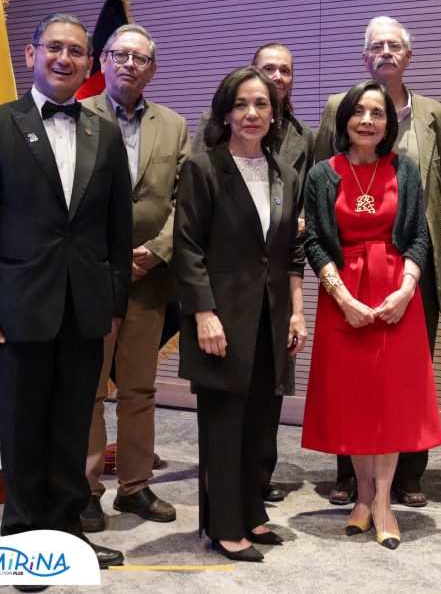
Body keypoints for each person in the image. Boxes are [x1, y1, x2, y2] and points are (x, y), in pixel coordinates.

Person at [0, 13, 131, 572]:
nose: (64, 58)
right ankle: (24, 543)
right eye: (54, 47)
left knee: (71, 428)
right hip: (18, 308)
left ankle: (67, 535)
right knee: (23, 429)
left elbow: (117, 229)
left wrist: (113, 303)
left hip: (85, 308)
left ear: (89, 63)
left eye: (76, 51)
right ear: (31, 54)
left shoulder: (104, 132)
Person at [314, 16, 441, 508]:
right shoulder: (335, 111)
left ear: (408, 56)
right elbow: (320, 194)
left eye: (395, 45)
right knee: (349, 375)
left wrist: (409, 278)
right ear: (364, 56)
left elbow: (440, 192)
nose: (386, 52)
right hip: (347, 272)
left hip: (410, 266)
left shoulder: (436, 115)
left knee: (402, 375)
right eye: (376, 46)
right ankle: (351, 479)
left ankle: (405, 478)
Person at [301, 80, 441, 551]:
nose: (367, 120)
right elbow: (316, 241)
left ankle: (383, 502)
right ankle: (362, 497)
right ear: (344, 119)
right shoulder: (323, 174)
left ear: (388, 124)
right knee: (354, 400)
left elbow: (419, 236)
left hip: (395, 296)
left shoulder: (405, 169)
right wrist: (341, 296)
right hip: (342, 294)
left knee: (390, 401)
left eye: (377, 113)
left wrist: (407, 289)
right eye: (359, 111)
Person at [174, 66, 307, 562]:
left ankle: (251, 512)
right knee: (225, 426)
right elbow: (188, 248)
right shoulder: (203, 168)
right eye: (241, 104)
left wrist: (296, 313)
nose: (252, 113)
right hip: (221, 319)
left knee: (260, 425)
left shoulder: (285, 175)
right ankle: (225, 526)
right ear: (226, 113)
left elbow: (289, 252)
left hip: (271, 319)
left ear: (275, 114)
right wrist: (203, 313)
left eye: (262, 104)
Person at [79, 24, 190, 532]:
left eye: (140, 58)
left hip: (150, 276)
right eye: (120, 55)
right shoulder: (77, 116)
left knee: (139, 389)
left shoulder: (174, 125)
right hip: (92, 277)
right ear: (101, 61)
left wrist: (159, 249)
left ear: (153, 69)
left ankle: (135, 487)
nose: (129, 64)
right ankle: (85, 489)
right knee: (87, 389)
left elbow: (186, 199)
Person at [196, 43, 314, 503]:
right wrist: (203, 310)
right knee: (226, 406)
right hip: (226, 295)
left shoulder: (298, 148)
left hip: (276, 288)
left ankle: (256, 486)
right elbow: (193, 231)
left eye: (286, 71)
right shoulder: (208, 154)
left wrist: (297, 309)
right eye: (269, 70)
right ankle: (224, 501)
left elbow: (302, 220)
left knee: (269, 392)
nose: (278, 77)